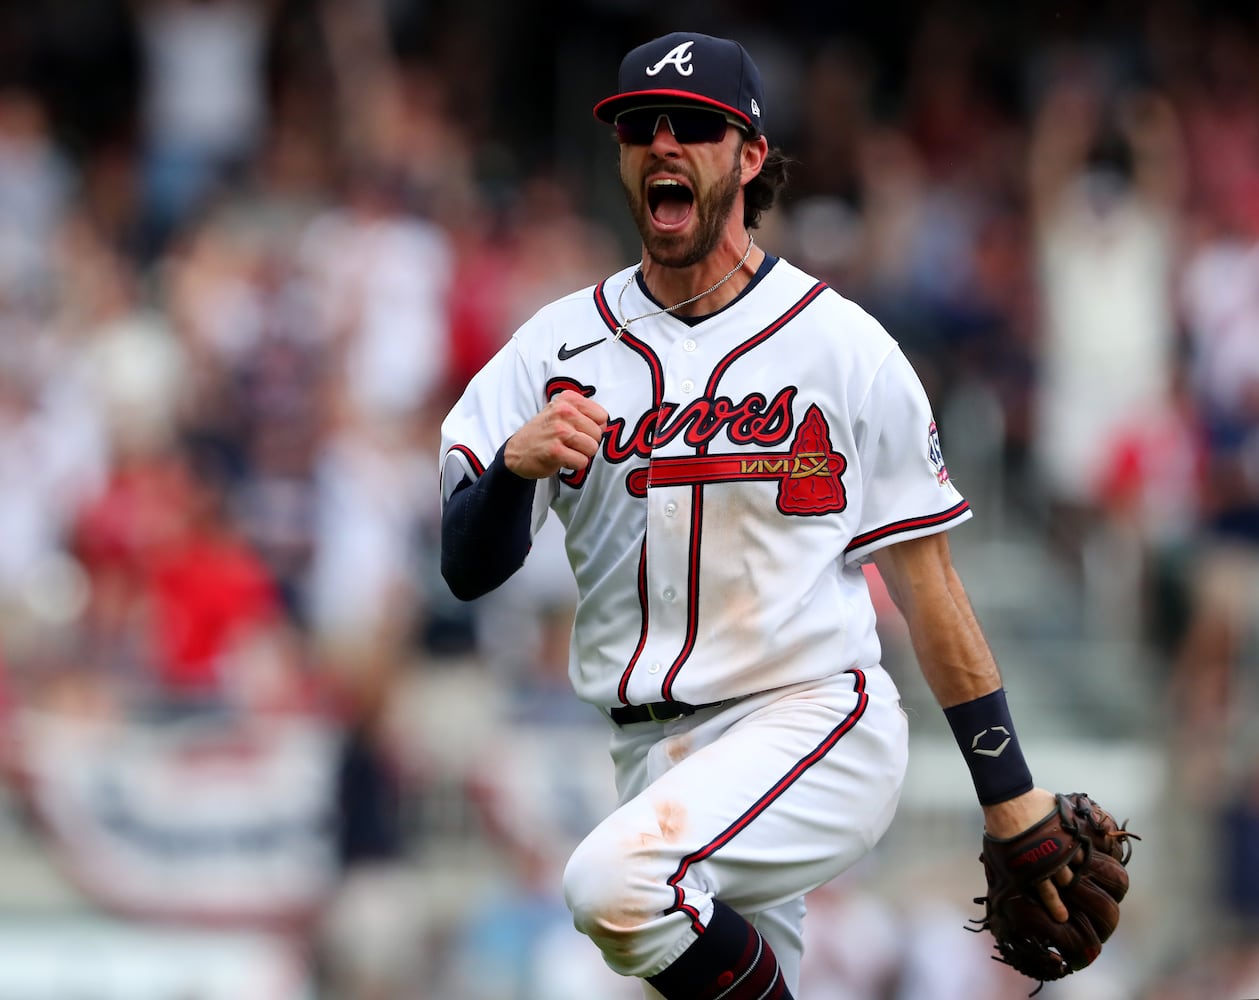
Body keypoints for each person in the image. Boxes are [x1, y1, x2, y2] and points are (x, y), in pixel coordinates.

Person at [439, 31, 1076, 1000]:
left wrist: (1009, 796)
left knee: (615, 886)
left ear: (747, 157)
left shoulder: (840, 347)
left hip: (813, 719)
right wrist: (512, 475)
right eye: (636, 128)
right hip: (650, 752)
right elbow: (468, 566)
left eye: (693, 126)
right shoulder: (551, 346)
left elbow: (927, 584)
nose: (661, 143)